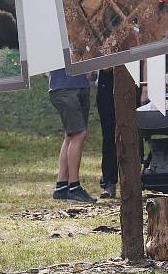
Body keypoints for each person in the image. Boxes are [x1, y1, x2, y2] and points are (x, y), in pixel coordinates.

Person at [49, 68, 96, 203]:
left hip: (80, 85)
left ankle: (61, 186)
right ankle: (74, 187)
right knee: (79, 134)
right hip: (64, 88)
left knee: (71, 135)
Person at [96, 68, 117, 198]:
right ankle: (109, 182)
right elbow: (105, 67)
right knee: (109, 136)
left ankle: (135, 178)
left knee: (134, 136)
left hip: (132, 79)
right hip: (107, 84)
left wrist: (145, 89)